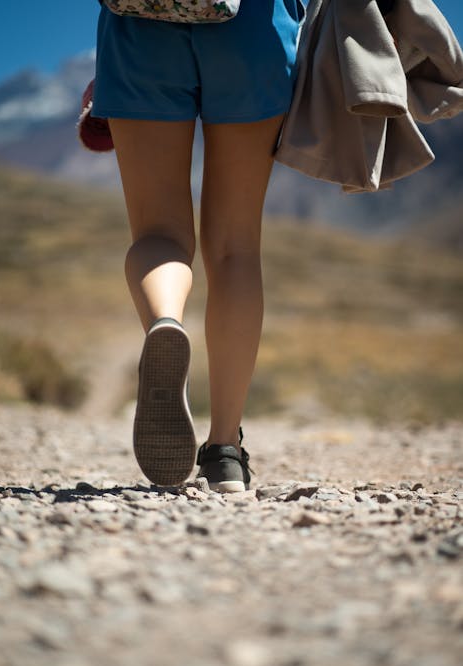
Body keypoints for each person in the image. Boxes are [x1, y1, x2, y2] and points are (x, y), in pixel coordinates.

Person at [92, 0, 302, 491]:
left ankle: (165, 320)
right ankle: (225, 451)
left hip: (139, 26)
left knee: (158, 234)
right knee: (235, 248)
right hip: (253, 31)